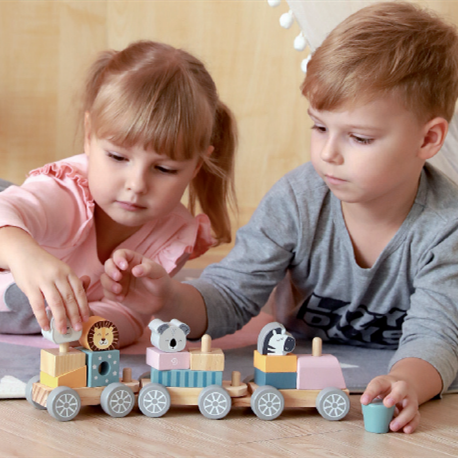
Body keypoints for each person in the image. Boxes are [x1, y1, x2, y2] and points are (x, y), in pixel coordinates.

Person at [102, 2, 458, 433]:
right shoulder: (297, 199)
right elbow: (230, 297)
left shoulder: (445, 226)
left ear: (429, 138)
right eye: (319, 127)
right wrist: (168, 300)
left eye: (359, 137)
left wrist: (408, 383)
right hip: (298, 364)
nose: (328, 153)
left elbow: (437, 337)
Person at [0, 40, 237, 348]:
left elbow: (131, 316)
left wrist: (91, 325)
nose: (137, 184)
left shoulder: (173, 235)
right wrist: (25, 255)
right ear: (88, 137)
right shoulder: (64, 191)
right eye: (117, 157)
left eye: (164, 169)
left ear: (195, 167)